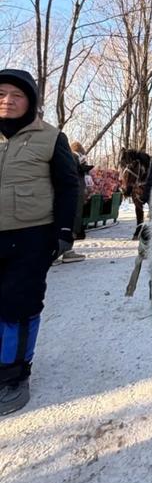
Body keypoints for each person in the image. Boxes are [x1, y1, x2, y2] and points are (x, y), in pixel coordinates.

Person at [0, 69, 79, 414]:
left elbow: (68, 186)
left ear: (30, 101)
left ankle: (13, 376)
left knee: (19, 305)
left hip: (30, 237)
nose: (7, 101)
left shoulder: (50, 138)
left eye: (17, 95)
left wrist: (63, 232)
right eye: (1, 94)